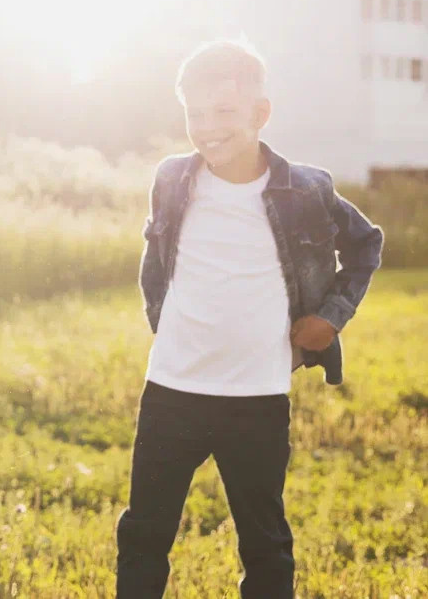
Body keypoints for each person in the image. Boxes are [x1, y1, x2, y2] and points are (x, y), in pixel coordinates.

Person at [114, 39, 383, 598]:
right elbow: (155, 261)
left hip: (256, 397)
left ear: (260, 115)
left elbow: (367, 245)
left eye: (225, 113)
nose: (207, 127)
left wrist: (331, 318)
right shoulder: (171, 179)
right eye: (195, 114)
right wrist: (167, 327)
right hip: (172, 390)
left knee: (265, 543)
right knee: (144, 533)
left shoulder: (306, 189)